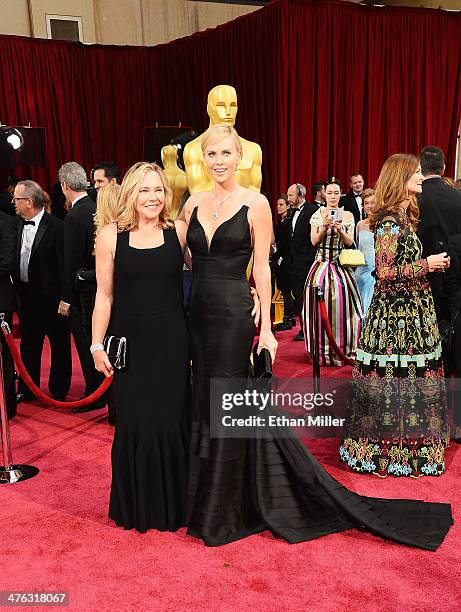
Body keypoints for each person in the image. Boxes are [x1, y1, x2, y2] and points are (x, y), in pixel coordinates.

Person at [181, 126, 453, 550]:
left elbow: (264, 267)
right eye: (210, 153)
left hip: (235, 313)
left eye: (225, 153)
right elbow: (181, 256)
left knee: (228, 397)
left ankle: (227, 501)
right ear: (203, 158)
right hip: (195, 311)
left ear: (240, 158)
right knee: (199, 395)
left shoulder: (255, 205)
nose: (218, 161)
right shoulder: (192, 203)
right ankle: (196, 493)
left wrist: (268, 328)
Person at [92, 162, 191, 533]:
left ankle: (174, 507)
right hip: (129, 345)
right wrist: (95, 345)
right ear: (130, 194)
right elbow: (104, 295)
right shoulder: (110, 236)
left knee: (170, 421)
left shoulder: (177, 232)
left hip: (172, 342)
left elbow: (207, 271)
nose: (152, 198)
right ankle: (136, 507)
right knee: (134, 422)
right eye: (144, 191)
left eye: (158, 190)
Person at [340, 154, 450, 478]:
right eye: (415, 172)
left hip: (412, 317)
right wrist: (426, 264)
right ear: (400, 178)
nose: (421, 176)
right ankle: (388, 454)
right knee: (393, 382)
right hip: (393, 322)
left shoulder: (405, 216)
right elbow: (385, 272)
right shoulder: (389, 220)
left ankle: (414, 451)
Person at [13, 180, 72, 403]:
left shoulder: (57, 226)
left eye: (17, 199)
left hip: (54, 300)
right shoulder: (15, 225)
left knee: (59, 346)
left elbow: (65, 265)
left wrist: (66, 298)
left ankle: (59, 390)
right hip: (26, 299)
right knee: (29, 347)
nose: (13, 203)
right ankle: (29, 390)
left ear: (29, 202)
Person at [59, 162, 105, 413]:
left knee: (87, 343)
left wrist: (66, 297)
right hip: (101, 288)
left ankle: (94, 393)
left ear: (64, 186)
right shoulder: (97, 207)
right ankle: (101, 391)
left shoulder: (74, 216)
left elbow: (70, 262)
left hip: (82, 293)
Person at [303, 178, 362, 366]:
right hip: (321, 266)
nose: (333, 196)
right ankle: (320, 350)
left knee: (345, 310)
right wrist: (325, 227)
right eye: (330, 193)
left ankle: (344, 349)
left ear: (341, 194)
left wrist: (340, 229)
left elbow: (349, 242)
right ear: (324, 194)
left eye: (337, 193)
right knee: (317, 309)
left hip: (341, 267)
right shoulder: (317, 214)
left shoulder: (348, 216)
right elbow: (313, 241)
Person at [417, 146, 461, 328]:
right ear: (443, 168)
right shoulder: (457, 197)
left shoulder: (412, 198)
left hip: (420, 275)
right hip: (454, 277)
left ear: (420, 167)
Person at [287, 183, 318, 341]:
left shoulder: (313, 210)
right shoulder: (291, 212)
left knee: (307, 298)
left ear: (300, 195)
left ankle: (309, 329)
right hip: (295, 263)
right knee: (299, 297)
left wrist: (310, 260)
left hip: (307, 262)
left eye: (291, 195)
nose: (288, 198)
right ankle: (304, 328)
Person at [0, 209, 17, 418]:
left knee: (4, 355)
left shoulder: (6, 222)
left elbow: (6, 262)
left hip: (1, 301)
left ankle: (8, 405)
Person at [273, 194, 294, 331]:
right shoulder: (279, 223)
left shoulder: (289, 223)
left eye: (281, 204)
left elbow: (287, 244)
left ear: (288, 205)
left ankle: (288, 319)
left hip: (287, 260)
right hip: (281, 259)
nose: (278, 207)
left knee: (287, 291)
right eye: (277, 204)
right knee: (284, 290)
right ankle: (289, 318)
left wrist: (277, 255)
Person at [354, 188, 376, 316]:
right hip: (361, 273)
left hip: (377, 273)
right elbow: (357, 248)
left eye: (372, 202)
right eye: (366, 203)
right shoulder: (360, 225)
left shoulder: (383, 223)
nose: (369, 206)